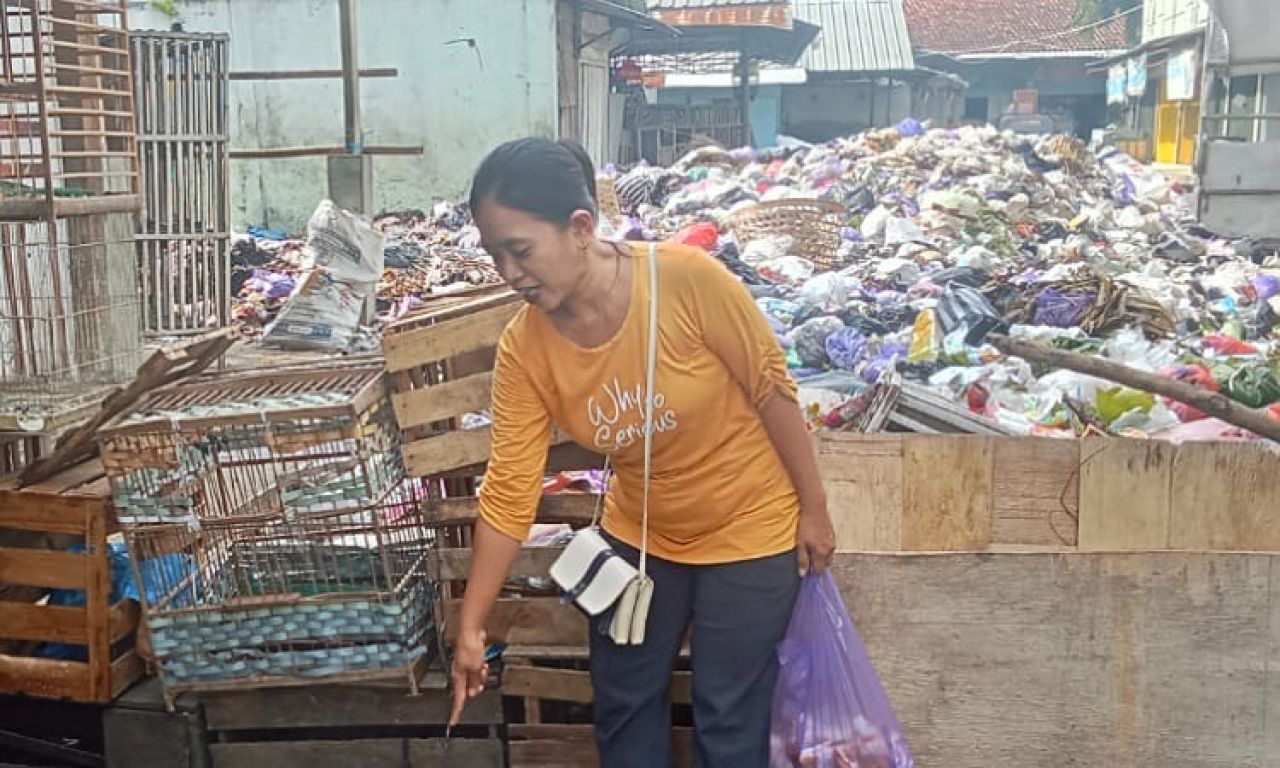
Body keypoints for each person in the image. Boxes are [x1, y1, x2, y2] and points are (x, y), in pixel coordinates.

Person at [448, 137, 836, 768]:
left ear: (579, 228)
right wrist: (472, 624)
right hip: (642, 537)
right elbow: (510, 490)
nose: (510, 273)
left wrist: (814, 510)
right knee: (625, 705)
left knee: (728, 716)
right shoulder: (525, 349)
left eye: (520, 251)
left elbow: (771, 390)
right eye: (496, 256)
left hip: (750, 531)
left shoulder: (686, 280)